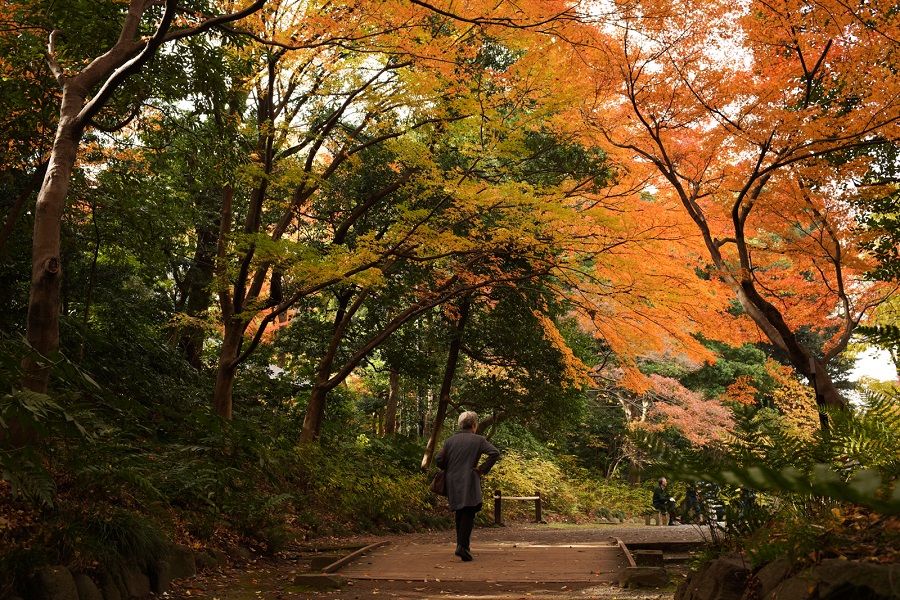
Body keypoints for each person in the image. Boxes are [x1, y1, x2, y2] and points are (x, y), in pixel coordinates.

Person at [435, 411, 500, 561]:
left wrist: (449, 467)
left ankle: (462, 546)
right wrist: (482, 469)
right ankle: (462, 547)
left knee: (460, 510)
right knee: (469, 511)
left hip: (452, 479)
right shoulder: (478, 440)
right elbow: (494, 453)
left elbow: (439, 458)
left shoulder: (450, 441)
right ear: (473, 425)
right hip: (469, 478)